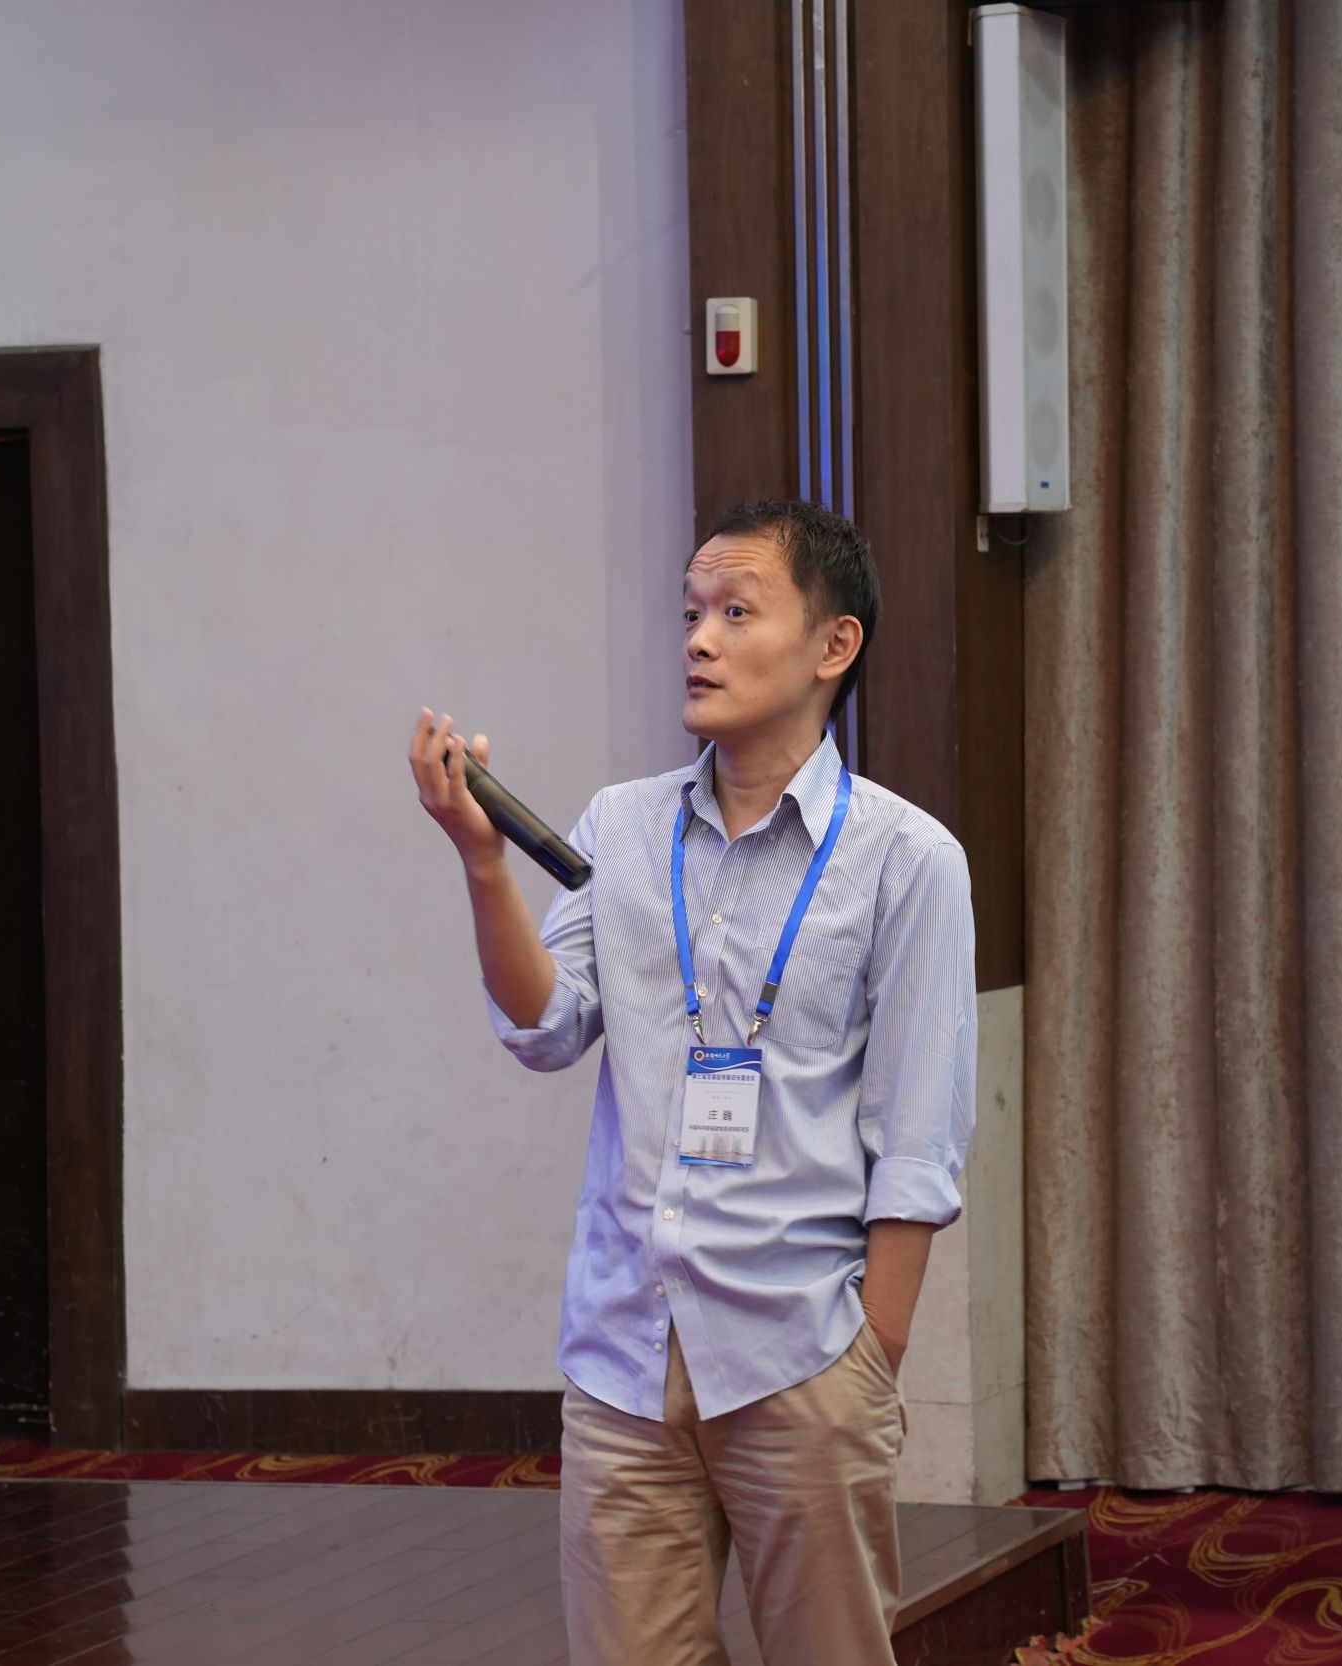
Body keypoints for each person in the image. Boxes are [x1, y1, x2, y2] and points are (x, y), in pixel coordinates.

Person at [406, 498, 976, 1665]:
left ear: (833, 644)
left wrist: (869, 1357)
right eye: (689, 613)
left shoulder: (907, 859)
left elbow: (917, 1136)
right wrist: (481, 862)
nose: (699, 640)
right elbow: (545, 1026)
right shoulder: (621, 828)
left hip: (801, 1351)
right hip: (625, 1350)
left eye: (735, 612)